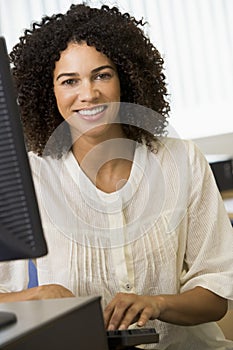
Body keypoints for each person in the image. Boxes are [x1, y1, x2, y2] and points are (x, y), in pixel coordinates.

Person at [0, 3, 233, 349]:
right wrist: (39, 296)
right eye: (69, 81)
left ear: (126, 77)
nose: (88, 94)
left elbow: (216, 296)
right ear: (48, 92)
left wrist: (158, 303)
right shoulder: (29, 178)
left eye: (102, 75)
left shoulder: (181, 160)